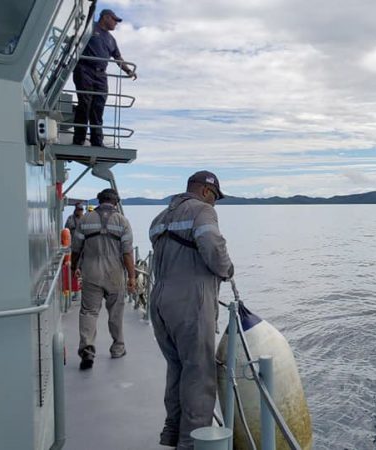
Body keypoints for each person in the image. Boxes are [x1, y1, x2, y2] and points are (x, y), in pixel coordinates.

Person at [149, 171, 234, 449]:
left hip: (159, 302)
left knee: (177, 369)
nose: (215, 204)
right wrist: (227, 270)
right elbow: (213, 249)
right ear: (206, 192)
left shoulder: (159, 218)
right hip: (189, 304)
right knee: (199, 373)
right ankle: (193, 444)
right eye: (216, 198)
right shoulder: (202, 211)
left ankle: (172, 434)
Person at [71, 188, 135, 370]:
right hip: (114, 272)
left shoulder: (85, 220)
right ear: (116, 202)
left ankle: (87, 349)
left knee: (89, 312)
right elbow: (127, 253)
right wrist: (131, 276)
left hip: (91, 271)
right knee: (116, 311)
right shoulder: (123, 221)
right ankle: (117, 347)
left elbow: (76, 248)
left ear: (99, 201)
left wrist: (74, 267)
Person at [72, 9, 137, 147]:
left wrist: (128, 70)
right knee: (85, 104)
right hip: (85, 69)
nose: (116, 23)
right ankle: (79, 140)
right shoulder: (90, 27)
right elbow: (75, 37)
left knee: (98, 107)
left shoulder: (111, 40)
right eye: (114, 20)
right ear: (106, 17)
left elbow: (118, 57)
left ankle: (97, 141)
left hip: (101, 74)